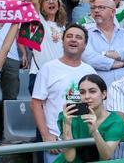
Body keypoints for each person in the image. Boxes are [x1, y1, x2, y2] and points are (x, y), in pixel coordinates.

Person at [31, 24, 96, 158]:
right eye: (69, 36)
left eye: (78, 37)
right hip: (57, 143)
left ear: (85, 45)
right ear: (62, 41)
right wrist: (46, 135)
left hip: (84, 141)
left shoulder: (90, 71)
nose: (73, 40)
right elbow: (36, 103)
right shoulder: (48, 68)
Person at [56, 73, 124, 163]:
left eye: (92, 91)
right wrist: (67, 123)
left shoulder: (115, 121)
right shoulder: (69, 116)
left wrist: (95, 131)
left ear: (104, 94)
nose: (87, 96)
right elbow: (70, 158)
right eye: (82, 92)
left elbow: (106, 156)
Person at [82, 0, 124, 85]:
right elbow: (88, 58)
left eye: (101, 7)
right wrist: (116, 63)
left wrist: (107, 54)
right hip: (101, 90)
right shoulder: (86, 34)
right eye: (93, 8)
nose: (96, 10)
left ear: (113, 12)